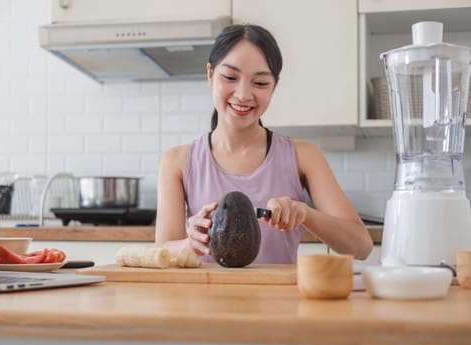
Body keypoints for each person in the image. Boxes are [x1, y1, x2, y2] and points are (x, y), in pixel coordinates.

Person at [155, 24, 373, 263]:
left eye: (260, 83)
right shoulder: (177, 161)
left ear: (274, 86)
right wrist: (190, 244)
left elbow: (361, 246)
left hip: (279, 300)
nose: (243, 95)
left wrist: (304, 213)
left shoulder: (303, 155)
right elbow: (162, 252)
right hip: (203, 299)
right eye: (230, 77)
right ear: (210, 74)